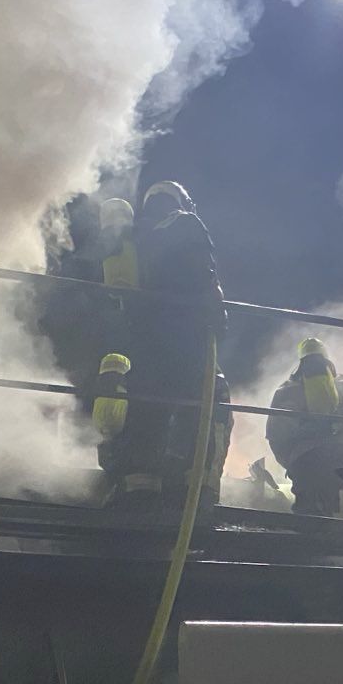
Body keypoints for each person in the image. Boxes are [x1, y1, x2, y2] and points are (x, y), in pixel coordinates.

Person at [90, 183, 232, 510]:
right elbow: (203, 274)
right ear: (181, 201)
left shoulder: (132, 234)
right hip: (185, 333)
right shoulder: (185, 221)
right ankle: (194, 489)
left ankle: (139, 486)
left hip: (142, 337)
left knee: (148, 405)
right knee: (203, 405)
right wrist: (216, 317)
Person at [265, 337, 343, 516]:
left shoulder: (285, 392)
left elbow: (277, 438)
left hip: (305, 463)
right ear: (328, 360)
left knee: (311, 518)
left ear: (300, 363)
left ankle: (314, 522)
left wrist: (294, 464)